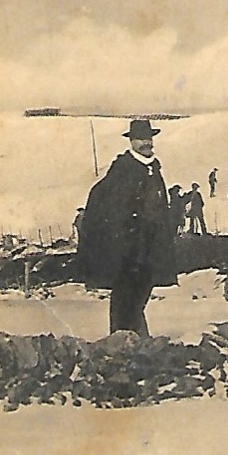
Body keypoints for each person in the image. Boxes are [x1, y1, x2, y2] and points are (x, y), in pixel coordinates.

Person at [77, 118, 177, 336]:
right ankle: (122, 342)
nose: (146, 143)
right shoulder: (123, 169)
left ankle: (137, 338)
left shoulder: (153, 168)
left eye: (148, 138)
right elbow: (108, 204)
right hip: (129, 249)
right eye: (140, 139)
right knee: (125, 297)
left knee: (139, 295)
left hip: (149, 248)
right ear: (131, 141)